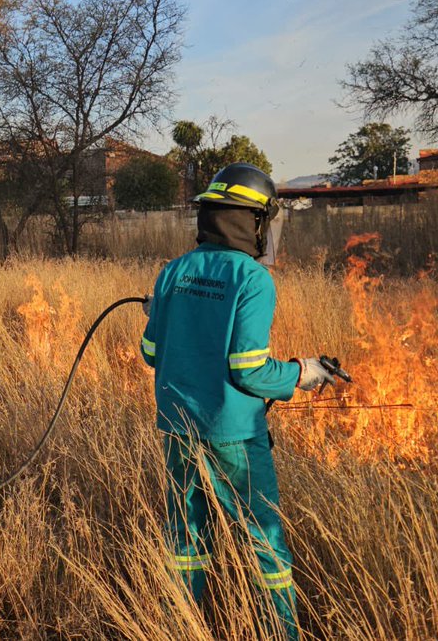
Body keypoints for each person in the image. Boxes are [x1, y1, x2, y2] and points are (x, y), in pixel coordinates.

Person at [140, 164, 335, 639]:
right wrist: (304, 373)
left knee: (186, 535)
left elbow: (151, 354)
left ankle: (180, 625)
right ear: (254, 222)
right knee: (264, 538)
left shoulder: (174, 271)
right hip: (233, 435)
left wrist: (166, 313)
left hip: (176, 427)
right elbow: (249, 368)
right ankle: (281, 630)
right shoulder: (253, 279)